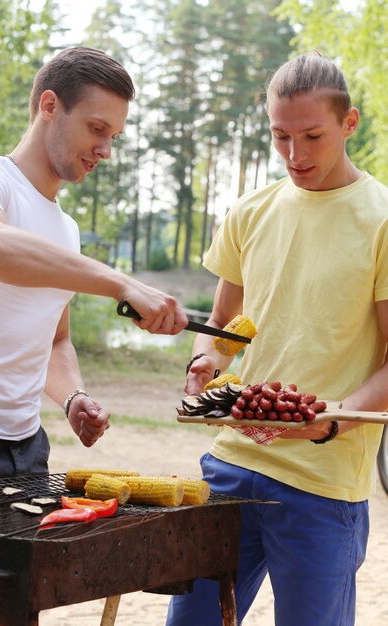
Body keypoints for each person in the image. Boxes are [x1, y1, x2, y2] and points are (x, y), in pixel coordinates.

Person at [166, 54, 388, 626]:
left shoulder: (381, 219)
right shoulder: (250, 211)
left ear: (349, 123)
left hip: (323, 481)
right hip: (231, 466)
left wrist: (336, 418)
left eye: (312, 135)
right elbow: (222, 332)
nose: (295, 154)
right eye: (280, 136)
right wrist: (204, 362)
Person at [0, 46, 188, 479]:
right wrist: (121, 283)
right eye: (97, 128)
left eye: (114, 137)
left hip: (26, 451)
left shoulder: (67, 231)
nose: (106, 151)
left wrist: (72, 397)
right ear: (49, 105)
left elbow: (55, 341)